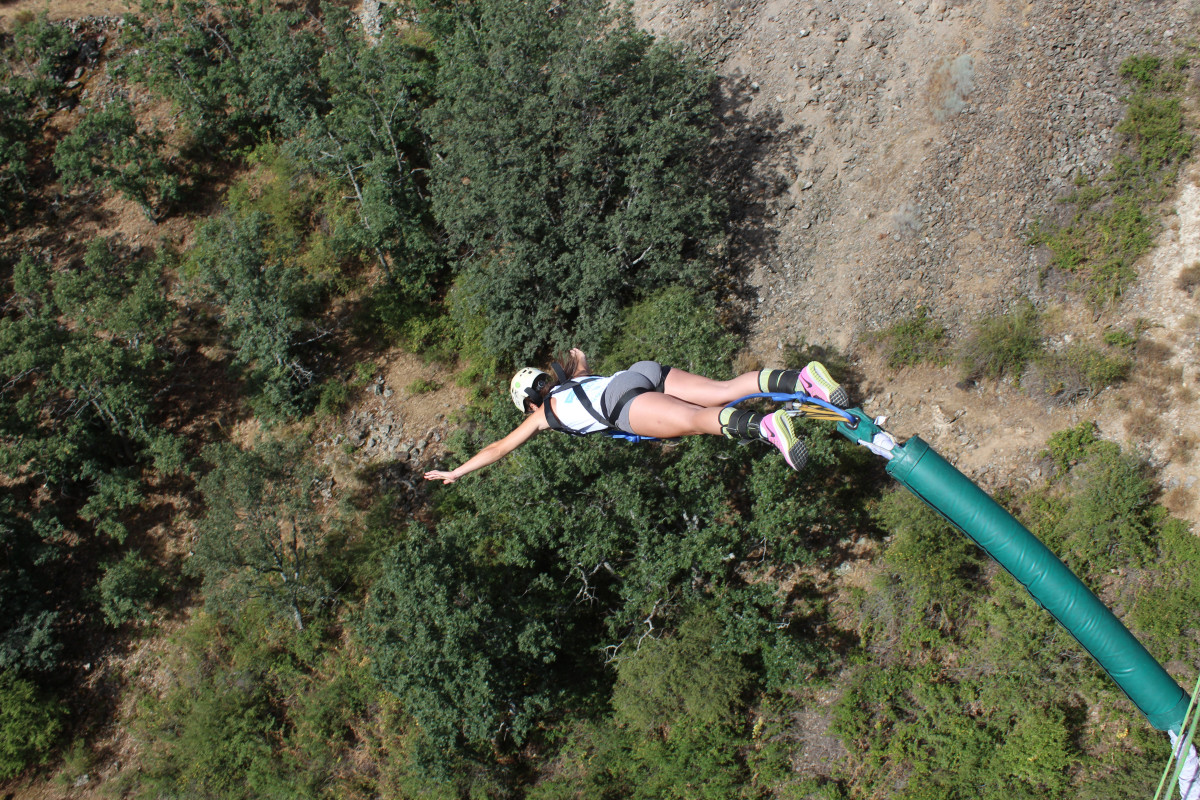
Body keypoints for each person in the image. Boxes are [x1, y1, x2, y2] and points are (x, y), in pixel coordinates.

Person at [422, 348, 849, 483]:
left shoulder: (542, 417)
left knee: (702, 421)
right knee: (723, 390)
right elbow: (580, 360)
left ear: (528, 405)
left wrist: (456, 472)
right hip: (635, 375)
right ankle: (802, 378)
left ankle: (768, 426)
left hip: (621, 407)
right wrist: (576, 359)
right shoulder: (574, 380)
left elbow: (498, 447)